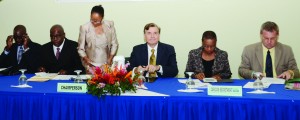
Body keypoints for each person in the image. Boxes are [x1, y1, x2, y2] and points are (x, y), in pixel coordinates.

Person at [77, 5, 118, 72]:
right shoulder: (84, 27)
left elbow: (114, 44)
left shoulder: (109, 25)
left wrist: (110, 58)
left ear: (102, 17)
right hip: (91, 65)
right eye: (92, 20)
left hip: (106, 64)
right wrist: (87, 61)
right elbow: (80, 49)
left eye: (96, 21)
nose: (93, 22)